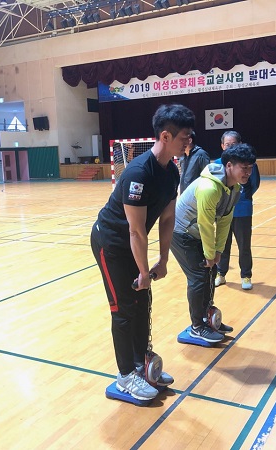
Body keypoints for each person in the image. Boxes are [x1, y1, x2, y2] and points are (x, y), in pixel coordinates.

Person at [90, 104, 195, 399]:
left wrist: (163, 259)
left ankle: (141, 364)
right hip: (111, 244)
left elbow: (168, 218)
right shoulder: (138, 173)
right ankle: (125, 376)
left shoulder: (172, 171)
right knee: (124, 309)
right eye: (184, 138)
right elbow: (135, 231)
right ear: (165, 136)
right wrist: (143, 271)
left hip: (133, 242)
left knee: (142, 303)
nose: (188, 142)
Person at [171, 144, 257, 343]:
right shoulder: (209, 188)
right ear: (229, 166)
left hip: (197, 232)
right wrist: (210, 255)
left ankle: (207, 318)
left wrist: (218, 251)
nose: (248, 172)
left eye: (250, 168)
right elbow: (206, 224)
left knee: (210, 272)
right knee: (198, 277)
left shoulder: (235, 188)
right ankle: (197, 327)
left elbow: (225, 221)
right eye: (244, 168)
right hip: (180, 232)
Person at [214, 131, 260, 290]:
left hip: (242, 210)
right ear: (222, 146)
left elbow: (254, 184)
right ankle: (221, 274)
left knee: (244, 245)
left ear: (240, 145)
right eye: (227, 145)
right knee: (222, 244)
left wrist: (242, 197)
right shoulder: (217, 164)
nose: (230, 147)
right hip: (222, 211)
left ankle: (246, 276)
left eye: (233, 144)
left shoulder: (249, 164)